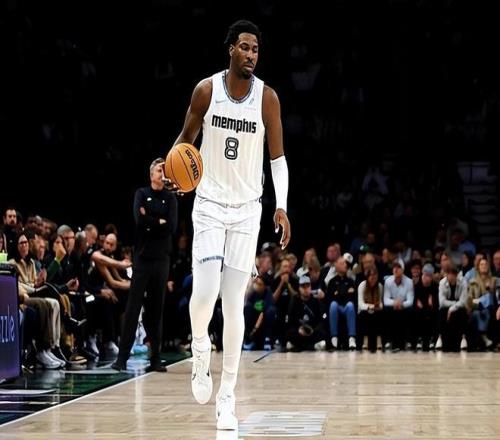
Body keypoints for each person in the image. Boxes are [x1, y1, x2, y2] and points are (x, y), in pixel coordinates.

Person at [168, 19, 291, 430]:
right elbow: (184, 141)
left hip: (246, 210)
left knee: (233, 302)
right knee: (204, 296)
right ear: (231, 49)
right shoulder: (207, 90)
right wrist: (170, 169)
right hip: (208, 204)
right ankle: (200, 346)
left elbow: (277, 159)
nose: (251, 54)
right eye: (244, 47)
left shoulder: (267, 99)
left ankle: (227, 397)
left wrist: (281, 206)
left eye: (255, 49)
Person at [112, 158, 178, 372]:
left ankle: (155, 358)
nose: (162, 173)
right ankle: (122, 358)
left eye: (165, 171)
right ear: (151, 174)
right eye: (159, 170)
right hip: (142, 259)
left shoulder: (170, 198)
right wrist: (158, 221)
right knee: (133, 308)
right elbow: (139, 221)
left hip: (161, 260)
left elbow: (171, 227)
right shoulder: (141, 193)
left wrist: (150, 219)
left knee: (156, 311)